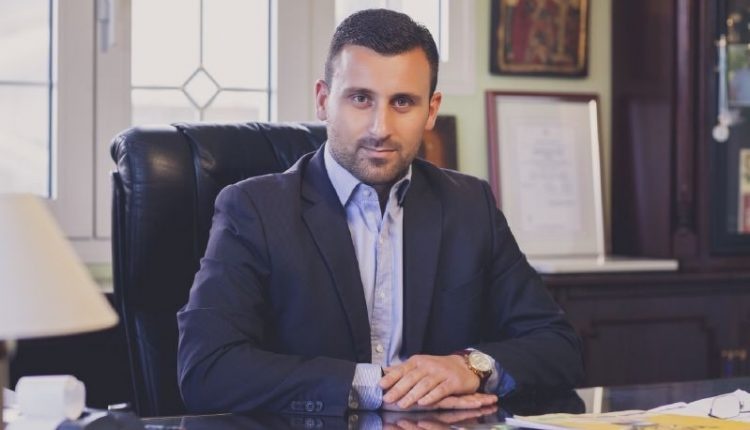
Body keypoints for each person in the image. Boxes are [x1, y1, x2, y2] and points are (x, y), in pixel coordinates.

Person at [177, 8, 583, 416]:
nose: (380, 128)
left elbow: (559, 345)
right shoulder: (254, 209)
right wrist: (374, 387)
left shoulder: (469, 205)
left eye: (402, 102)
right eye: (360, 99)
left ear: (431, 110)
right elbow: (207, 369)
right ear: (323, 100)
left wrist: (469, 367)